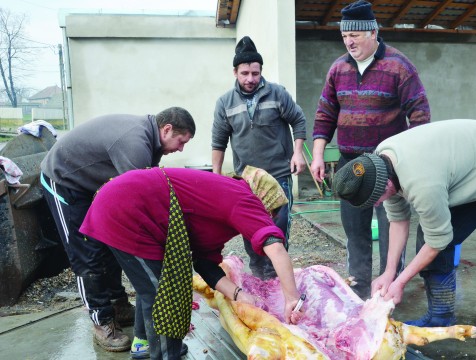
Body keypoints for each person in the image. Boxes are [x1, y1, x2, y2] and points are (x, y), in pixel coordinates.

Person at [333, 119, 476, 359]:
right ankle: (440, 315)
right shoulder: (379, 166)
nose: (378, 204)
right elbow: (398, 220)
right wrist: (389, 272)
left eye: (376, 200)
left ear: (385, 183)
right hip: (473, 172)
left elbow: (437, 240)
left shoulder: (421, 182)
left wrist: (401, 281)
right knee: (428, 237)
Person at [79, 167, 304, 360]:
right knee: (163, 293)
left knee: (151, 286)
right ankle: (167, 354)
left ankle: (146, 343)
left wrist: (238, 294)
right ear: (264, 200)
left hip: (123, 203)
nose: (269, 218)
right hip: (126, 206)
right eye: (270, 214)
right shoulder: (245, 197)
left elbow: (204, 263)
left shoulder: (222, 202)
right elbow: (275, 246)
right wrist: (292, 299)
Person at [40, 107, 195, 352]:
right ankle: (101, 320)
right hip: (62, 180)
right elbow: (139, 199)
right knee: (84, 252)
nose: (181, 148)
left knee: (110, 240)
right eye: (181, 141)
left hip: (88, 182)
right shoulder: (135, 143)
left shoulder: (152, 142)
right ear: (166, 130)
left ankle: (117, 302)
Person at [310, 0, 431, 299]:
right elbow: (325, 114)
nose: (349, 41)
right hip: (351, 163)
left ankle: (388, 291)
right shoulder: (338, 68)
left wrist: (411, 160)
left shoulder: (398, 66)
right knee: (355, 232)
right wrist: (317, 155)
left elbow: (420, 115)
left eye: (355, 35)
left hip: (388, 165)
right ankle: (359, 292)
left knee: (392, 229)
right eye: (345, 36)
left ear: (373, 32)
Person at [212, 35, 307, 280]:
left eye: (255, 73)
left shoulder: (277, 94)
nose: (251, 79)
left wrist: (298, 153)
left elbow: (298, 120)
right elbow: (219, 141)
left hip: (278, 174)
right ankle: (258, 274)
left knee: (279, 227)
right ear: (235, 72)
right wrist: (215, 176)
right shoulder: (225, 103)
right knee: (250, 227)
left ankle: (276, 278)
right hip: (248, 178)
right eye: (245, 73)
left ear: (260, 70)